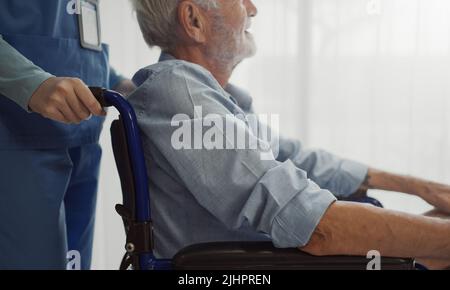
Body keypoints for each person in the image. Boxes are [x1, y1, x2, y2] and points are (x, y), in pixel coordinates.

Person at [128, 0, 450, 269]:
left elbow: (296, 158)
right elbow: (310, 224)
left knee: (434, 232)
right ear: (194, 20)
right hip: (252, 269)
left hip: (266, 261)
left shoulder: (215, 97)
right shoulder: (181, 96)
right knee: (435, 247)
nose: (252, 8)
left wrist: (420, 187)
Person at [0, 0, 135, 270]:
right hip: (16, 134)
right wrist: (29, 81)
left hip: (83, 137)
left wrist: (115, 81)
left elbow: (71, 33)